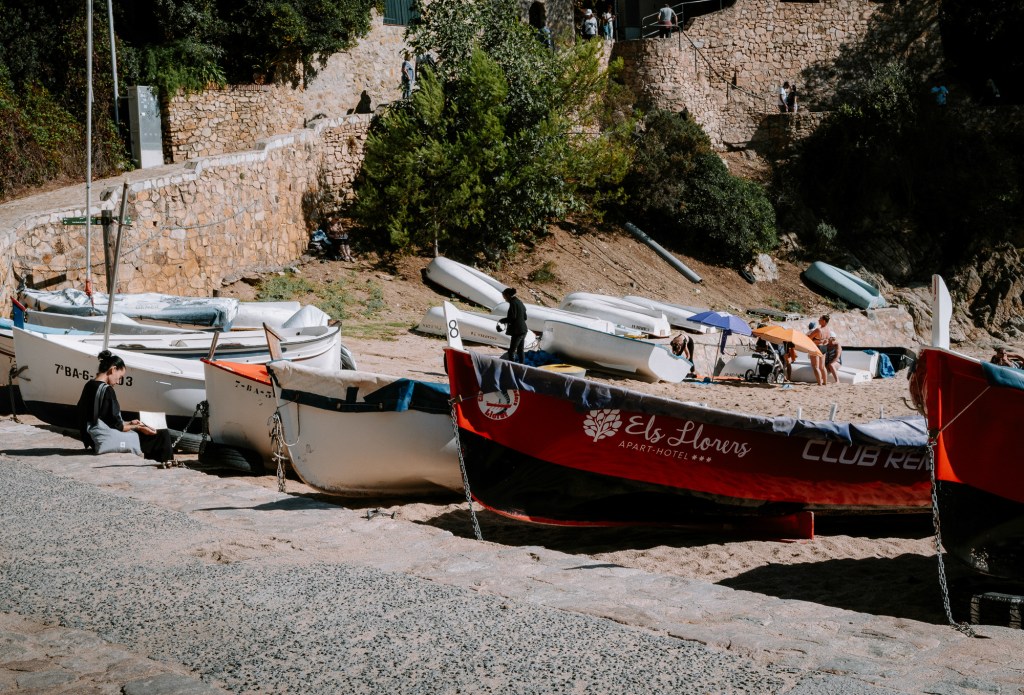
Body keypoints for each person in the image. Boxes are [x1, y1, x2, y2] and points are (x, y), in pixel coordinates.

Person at [77, 350, 173, 464]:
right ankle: (164, 465)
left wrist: (130, 423)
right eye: (120, 377)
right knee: (161, 434)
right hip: (104, 439)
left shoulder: (89, 385)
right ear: (113, 369)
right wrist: (138, 427)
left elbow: (107, 420)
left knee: (150, 432)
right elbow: (119, 427)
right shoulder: (107, 390)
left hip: (91, 437)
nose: (118, 382)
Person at [497, 287, 529, 364]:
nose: (505, 299)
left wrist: (502, 320)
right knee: (520, 350)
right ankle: (522, 366)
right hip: (523, 330)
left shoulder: (513, 303)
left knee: (511, 351)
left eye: (504, 297)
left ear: (508, 295)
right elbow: (525, 317)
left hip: (517, 331)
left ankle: (512, 366)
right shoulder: (519, 302)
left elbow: (512, 318)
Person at [807, 314, 832, 386]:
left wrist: (815, 340)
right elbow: (827, 341)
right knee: (822, 367)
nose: (818, 320)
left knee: (815, 367)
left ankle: (820, 383)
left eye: (820, 319)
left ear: (824, 321)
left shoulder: (818, 330)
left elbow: (809, 339)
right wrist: (821, 341)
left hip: (816, 348)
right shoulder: (828, 330)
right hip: (824, 348)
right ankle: (825, 382)